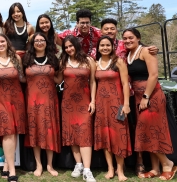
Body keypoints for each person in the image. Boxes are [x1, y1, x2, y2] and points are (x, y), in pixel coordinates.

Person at [99, 18, 158, 176]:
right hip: (108, 98)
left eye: (112, 28)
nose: (109, 31)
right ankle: (115, 167)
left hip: (129, 94)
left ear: (116, 30)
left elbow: (139, 48)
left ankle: (139, 163)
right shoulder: (97, 51)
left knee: (134, 128)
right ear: (101, 31)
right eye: (106, 29)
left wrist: (151, 48)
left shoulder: (124, 44)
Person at [123, 28, 177, 180]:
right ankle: (155, 168)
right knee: (147, 132)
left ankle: (168, 163)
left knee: (152, 130)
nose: (128, 40)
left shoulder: (146, 51)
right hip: (138, 97)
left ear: (138, 38)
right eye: (125, 38)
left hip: (151, 95)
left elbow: (153, 75)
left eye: (131, 37)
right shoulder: (128, 55)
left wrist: (146, 96)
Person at [0, 34, 25, 182]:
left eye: (3, 41)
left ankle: (6, 166)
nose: (0, 44)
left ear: (7, 43)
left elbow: (21, 78)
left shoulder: (16, 59)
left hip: (15, 99)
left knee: (12, 132)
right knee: (7, 131)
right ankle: (13, 170)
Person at [58, 35, 97, 182]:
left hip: (84, 102)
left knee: (84, 134)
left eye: (70, 46)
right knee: (73, 133)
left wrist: (93, 101)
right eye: (66, 47)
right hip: (68, 103)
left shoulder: (88, 61)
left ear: (76, 45)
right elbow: (57, 79)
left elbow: (93, 81)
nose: (68, 49)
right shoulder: (63, 61)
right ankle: (78, 164)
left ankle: (87, 170)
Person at [94, 36, 132, 181]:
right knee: (105, 137)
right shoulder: (96, 64)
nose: (105, 48)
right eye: (102, 45)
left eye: (108, 45)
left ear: (112, 47)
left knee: (119, 136)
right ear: (98, 48)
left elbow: (125, 84)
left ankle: (120, 170)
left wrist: (126, 104)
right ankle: (110, 168)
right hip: (101, 105)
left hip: (117, 104)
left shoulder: (119, 62)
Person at [23, 32, 61, 177]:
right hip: (32, 102)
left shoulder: (53, 59)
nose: (39, 42)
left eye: (42, 40)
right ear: (32, 44)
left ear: (46, 42)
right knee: (35, 132)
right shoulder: (26, 59)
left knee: (49, 132)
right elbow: (21, 78)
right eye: (36, 41)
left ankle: (50, 165)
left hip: (49, 101)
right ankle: (38, 165)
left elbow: (58, 79)